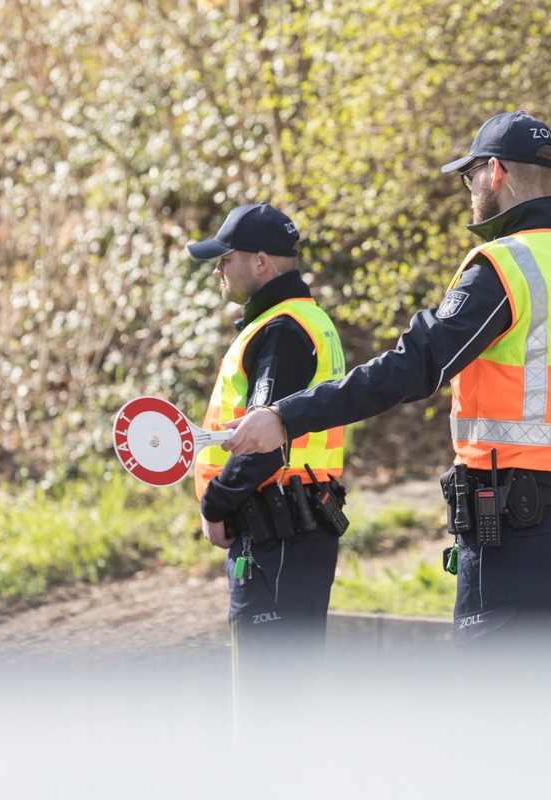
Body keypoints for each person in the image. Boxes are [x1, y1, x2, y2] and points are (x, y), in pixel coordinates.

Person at [223, 112, 551, 649]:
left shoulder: (507, 266)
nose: (468, 192)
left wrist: (285, 415)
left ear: (495, 173)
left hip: (515, 532)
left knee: (494, 714)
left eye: (468, 179)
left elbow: (411, 366)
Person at [186, 202, 349, 665]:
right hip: (292, 526)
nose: (218, 268)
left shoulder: (282, 331)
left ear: (260, 262)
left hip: (277, 532)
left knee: (266, 694)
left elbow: (266, 439)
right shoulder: (302, 319)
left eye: (225, 257)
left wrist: (216, 503)